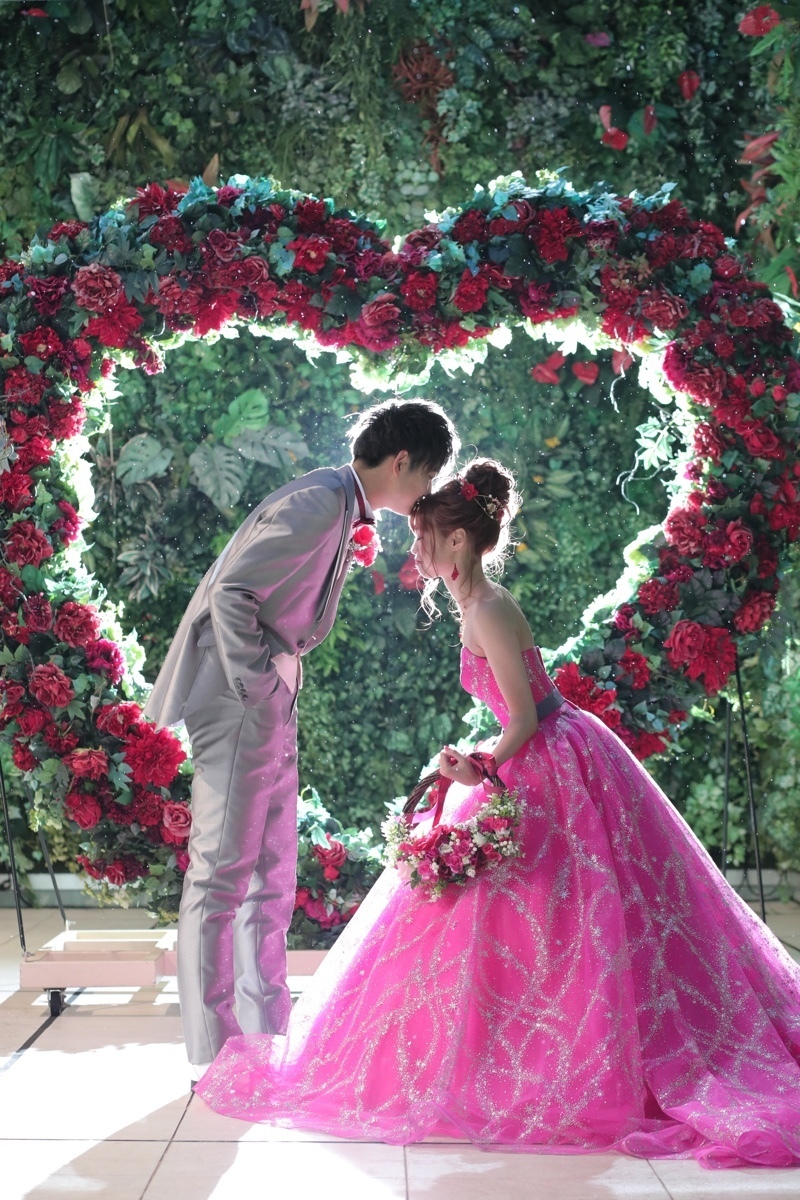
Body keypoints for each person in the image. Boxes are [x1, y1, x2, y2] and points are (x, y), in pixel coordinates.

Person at [194, 458, 800, 1168]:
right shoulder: (475, 603)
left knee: (561, 910)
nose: (416, 550)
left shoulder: (487, 608)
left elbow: (526, 715)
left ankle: (549, 1056)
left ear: (457, 540)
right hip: (539, 755)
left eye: (423, 537)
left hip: (549, 758)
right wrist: (478, 763)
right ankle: (499, 1049)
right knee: (523, 912)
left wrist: (478, 767)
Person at [143, 398, 459, 1079]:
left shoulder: (335, 501)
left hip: (267, 696)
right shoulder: (319, 503)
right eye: (429, 476)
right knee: (222, 876)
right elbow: (231, 595)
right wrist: (260, 689)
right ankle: (216, 1053)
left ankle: (265, 1035)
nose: (427, 491)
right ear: (403, 461)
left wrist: (275, 690)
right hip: (241, 699)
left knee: (270, 874)